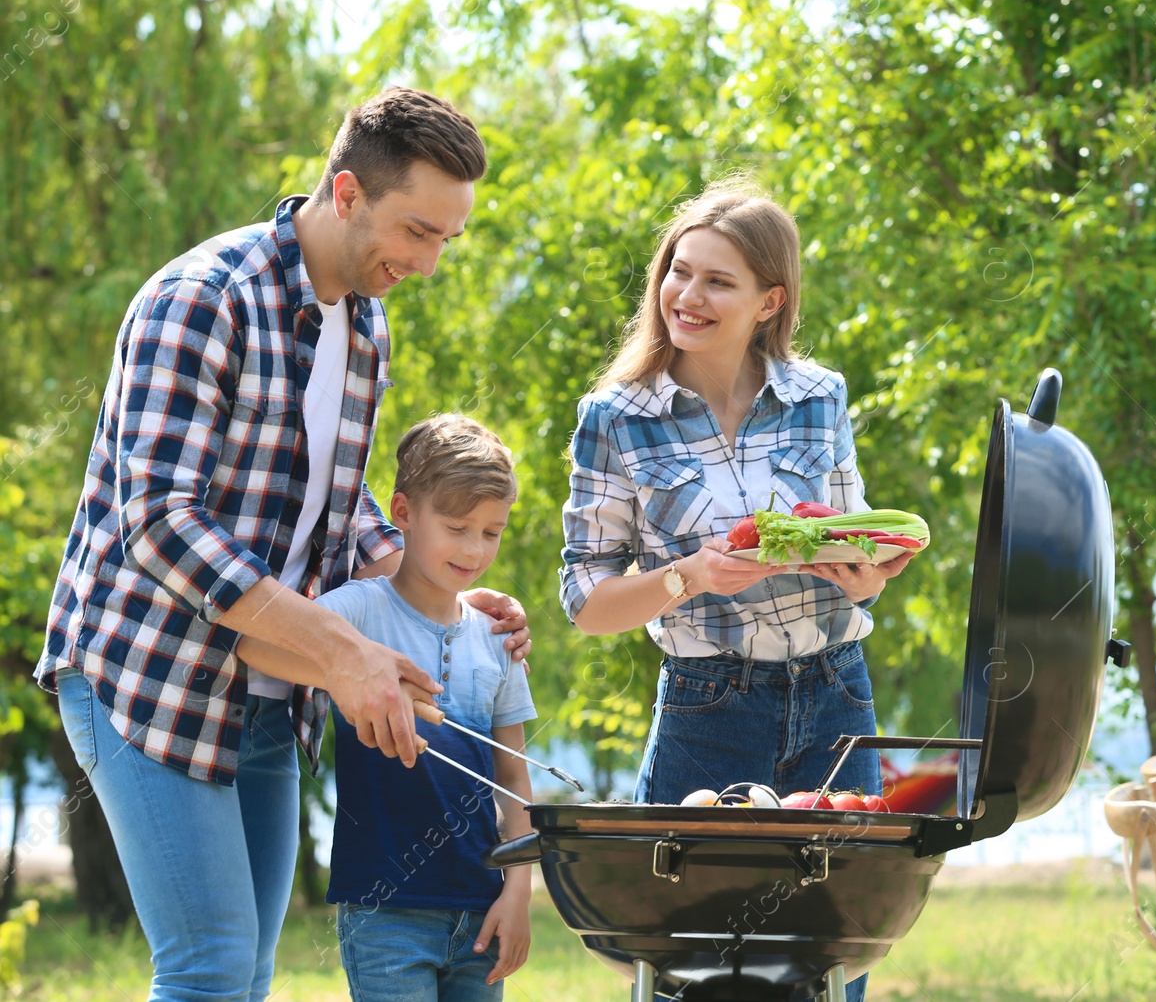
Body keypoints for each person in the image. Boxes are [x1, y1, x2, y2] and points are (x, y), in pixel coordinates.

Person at [36, 87, 530, 1002]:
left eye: (446, 241)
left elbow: (336, 514)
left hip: (268, 684)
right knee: (209, 966)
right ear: (346, 193)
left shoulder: (363, 323)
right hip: (145, 671)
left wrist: (434, 581)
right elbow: (159, 518)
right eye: (417, 232)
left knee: (247, 972)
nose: (426, 264)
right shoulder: (202, 299)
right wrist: (345, 651)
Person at [560, 176, 910, 1002]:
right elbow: (586, 599)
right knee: (693, 971)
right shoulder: (616, 417)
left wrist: (864, 578)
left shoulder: (819, 397)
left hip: (837, 698)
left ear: (768, 299)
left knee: (831, 958)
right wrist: (690, 576)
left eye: (718, 280)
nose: (688, 294)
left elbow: (859, 565)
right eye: (679, 271)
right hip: (707, 709)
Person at [240, 414, 539, 1001]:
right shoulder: (356, 613)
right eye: (457, 527)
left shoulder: (499, 636)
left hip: (482, 912)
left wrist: (519, 890)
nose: (475, 549)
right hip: (387, 914)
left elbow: (514, 778)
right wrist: (340, 668)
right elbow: (254, 644)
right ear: (402, 513)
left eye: (492, 531)